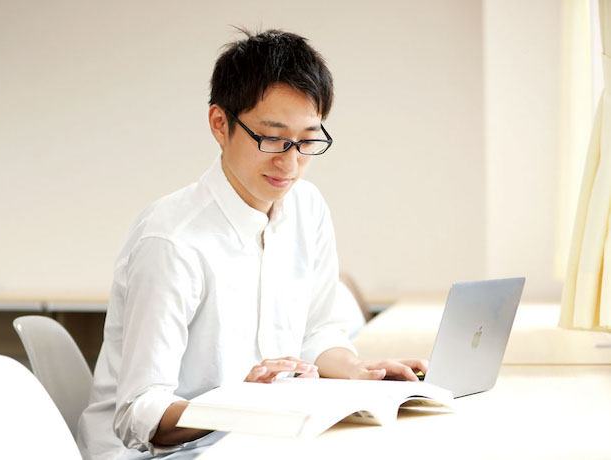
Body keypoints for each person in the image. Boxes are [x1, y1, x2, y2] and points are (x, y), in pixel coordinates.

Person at [77, 29, 427, 460]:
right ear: (220, 125)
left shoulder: (307, 209)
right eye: (273, 137)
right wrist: (238, 407)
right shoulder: (172, 241)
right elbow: (138, 414)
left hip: (259, 440)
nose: (290, 162)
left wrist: (360, 372)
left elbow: (317, 331)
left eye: (307, 140)